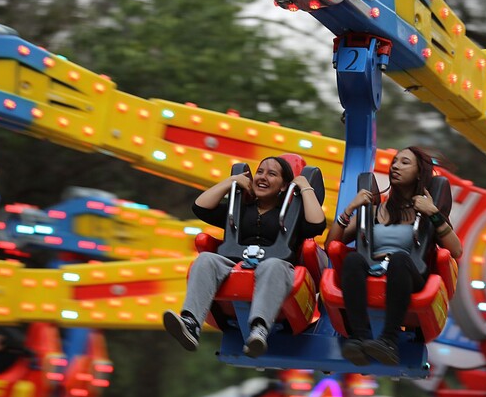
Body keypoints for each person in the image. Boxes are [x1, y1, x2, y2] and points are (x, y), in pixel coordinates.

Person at [163, 156, 326, 357]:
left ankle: (259, 328)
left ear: (284, 186)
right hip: (235, 263)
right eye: (260, 172)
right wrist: (230, 182)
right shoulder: (238, 210)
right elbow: (200, 207)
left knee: (273, 265)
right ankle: (190, 323)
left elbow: (317, 224)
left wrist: (304, 187)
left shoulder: (291, 216)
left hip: (277, 269)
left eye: (272, 174)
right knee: (205, 260)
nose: (263, 177)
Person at [325, 147, 463, 366]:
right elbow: (331, 244)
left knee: (399, 259)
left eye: (404, 163)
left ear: (419, 173)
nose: (395, 166)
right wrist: (350, 209)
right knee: (352, 260)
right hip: (373, 267)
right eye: (394, 162)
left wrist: (433, 213)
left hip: (409, 273)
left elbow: (456, 251)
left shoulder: (426, 210)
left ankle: (389, 341)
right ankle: (358, 337)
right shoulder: (375, 210)